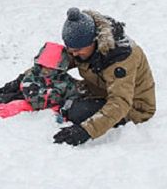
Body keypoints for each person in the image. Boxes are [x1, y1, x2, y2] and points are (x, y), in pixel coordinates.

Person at [52, 8, 156, 146]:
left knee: (77, 112)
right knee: (54, 84)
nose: (74, 54)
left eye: (77, 50)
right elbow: (55, 63)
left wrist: (86, 130)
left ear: (94, 41)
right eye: (71, 49)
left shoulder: (120, 59)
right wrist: (25, 79)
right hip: (101, 90)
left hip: (133, 106)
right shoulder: (83, 45)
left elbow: (120, 102)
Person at [0, 42, 80, 119]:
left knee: (16, 103)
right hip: (31, 98)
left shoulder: (66, 81)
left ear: (59, 69)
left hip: (48, 107)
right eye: (43, 66)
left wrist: (63, 110)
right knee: (13, 99)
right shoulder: (34, 75)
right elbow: (27, 85)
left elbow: (72, 96)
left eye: (50, 68)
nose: (45, 71)